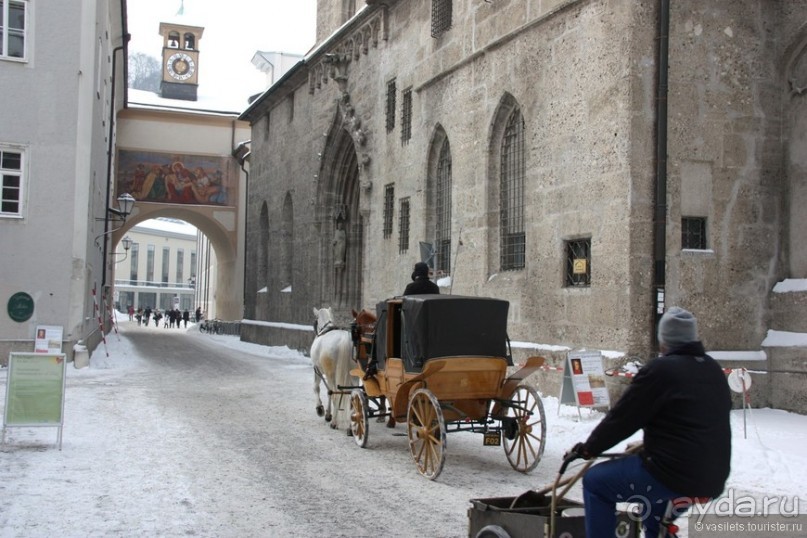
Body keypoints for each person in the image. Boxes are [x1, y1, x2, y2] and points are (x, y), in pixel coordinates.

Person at [566, 307, 731, 538]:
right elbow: (692, 420)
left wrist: (589, 448)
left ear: (664, 339)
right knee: (654, 512)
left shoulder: (660, 370)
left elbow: (623, 419)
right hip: (712, 477)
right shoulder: (712, 368)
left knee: (595, 483)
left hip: (672, 474)